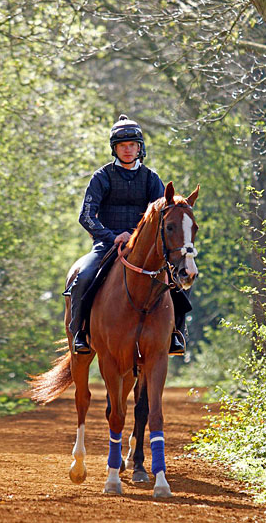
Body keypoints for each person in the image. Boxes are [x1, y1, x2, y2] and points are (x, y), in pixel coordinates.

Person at [68, 114, 188, 355]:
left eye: (132, 145)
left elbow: (163, 215)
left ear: (139, 148)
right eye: (122, 146)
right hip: (108, 245)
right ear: (115, 149)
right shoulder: (101, 177)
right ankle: (80, 333)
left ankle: (176, 334)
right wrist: (113, 236)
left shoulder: (152, 178)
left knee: (179, 280)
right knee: (83, 277)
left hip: (145, 247)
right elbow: (86, 216)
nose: (127, 150)